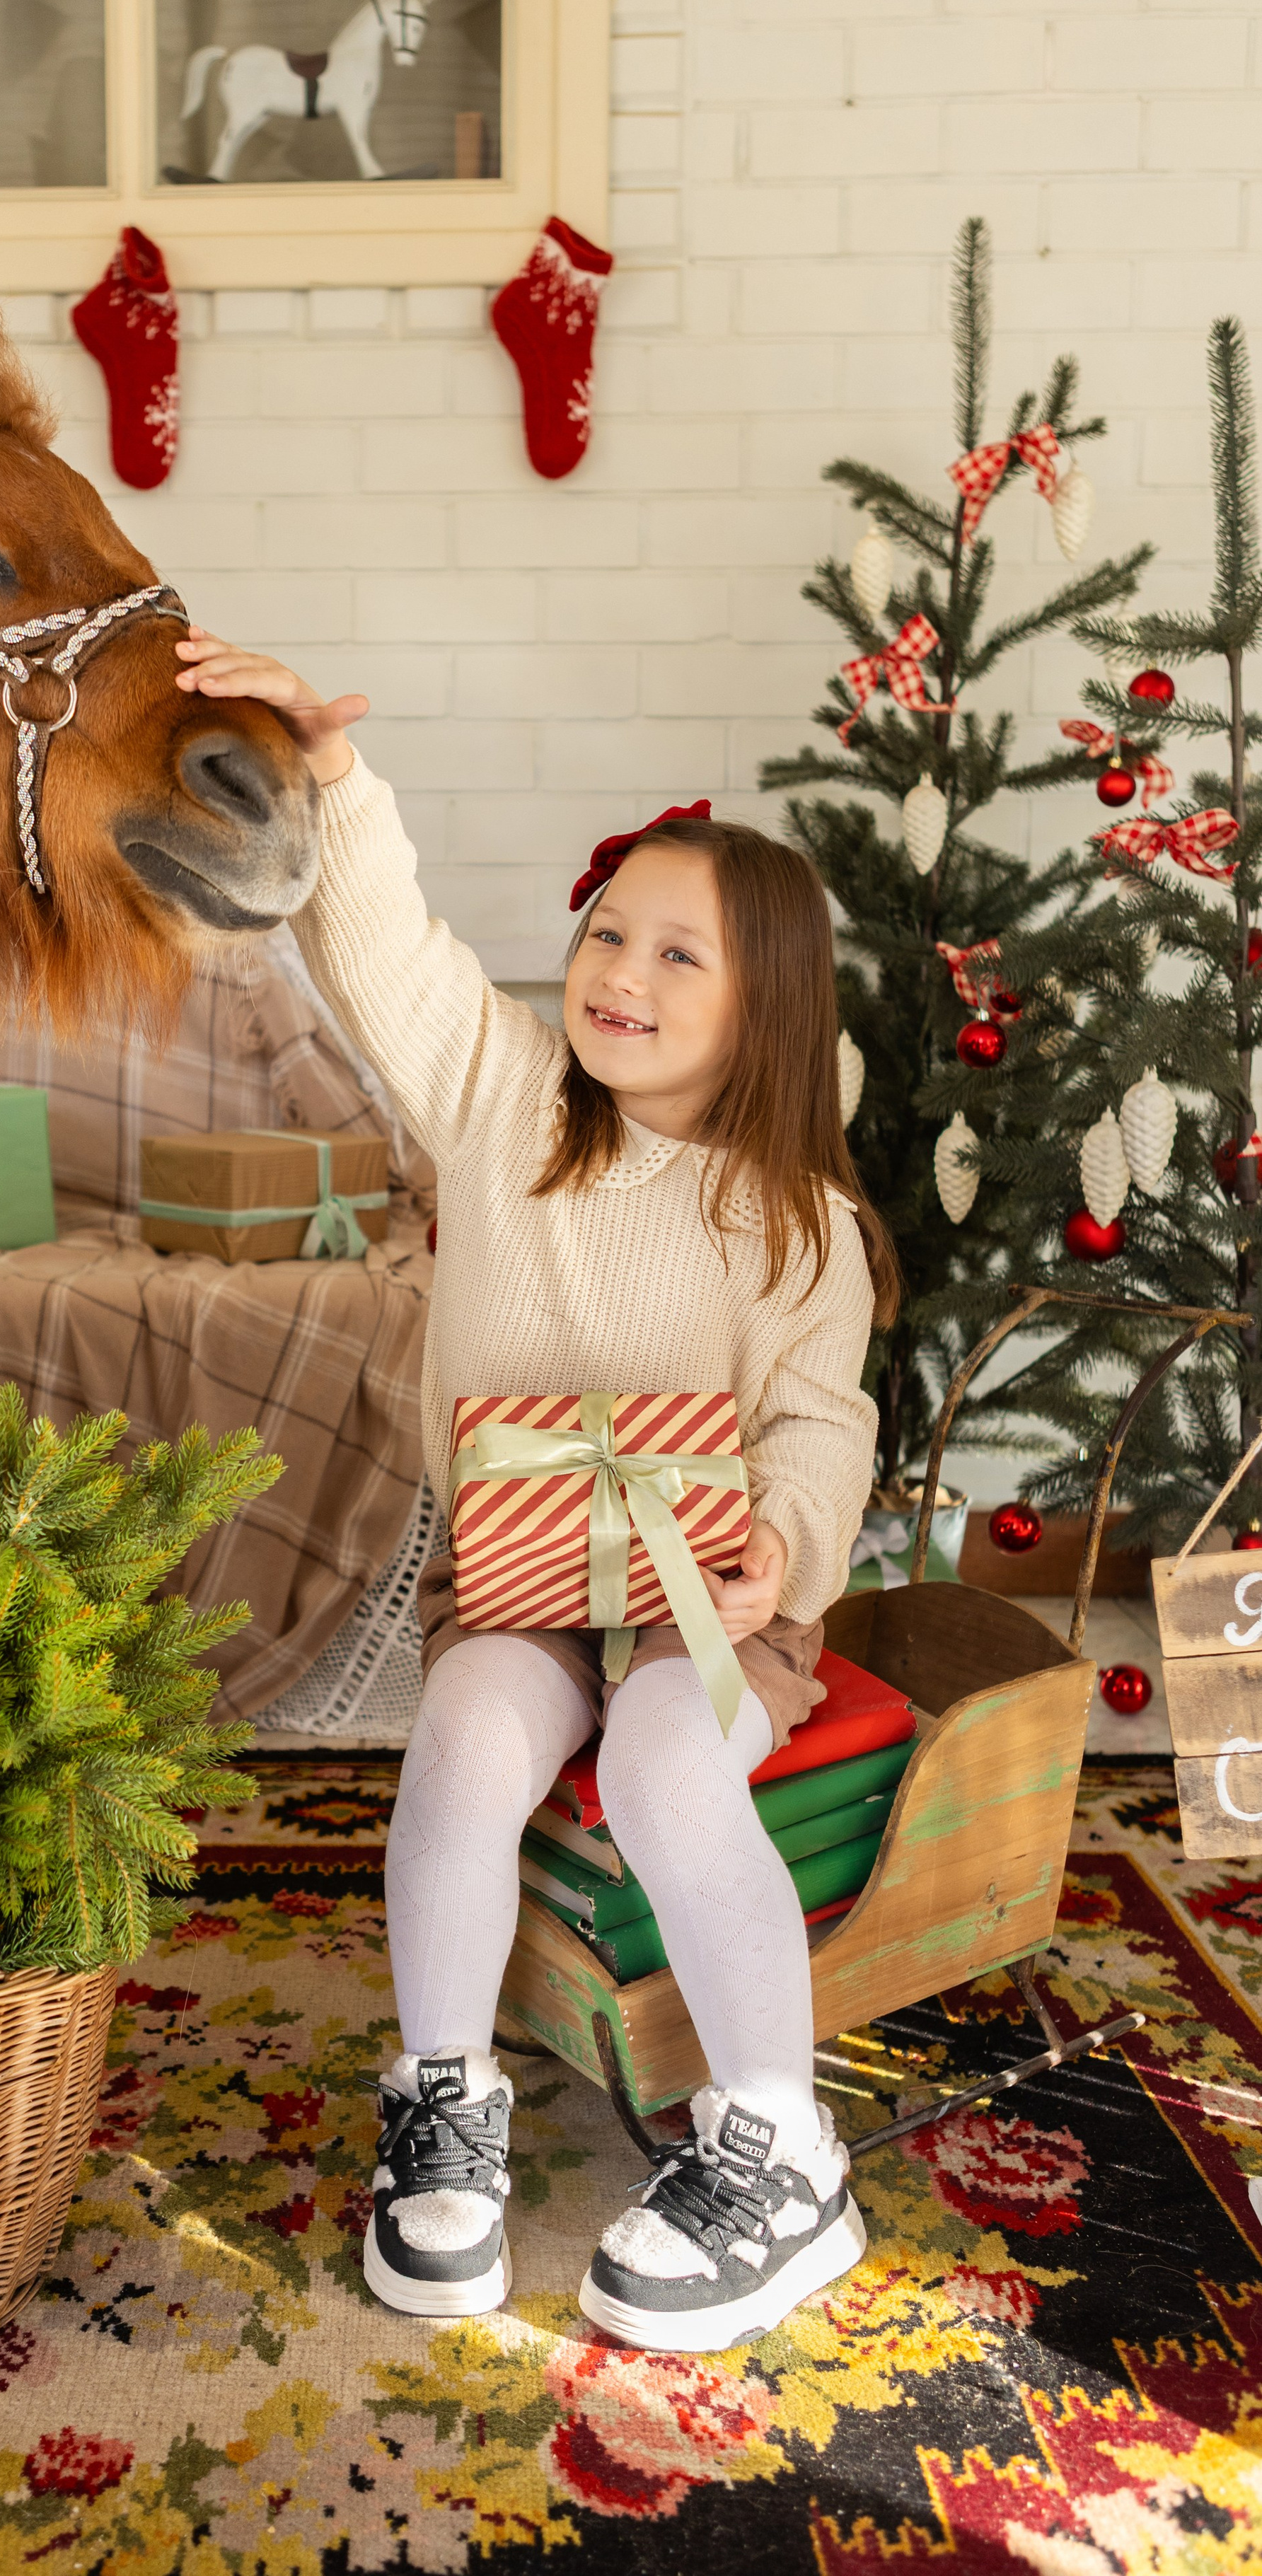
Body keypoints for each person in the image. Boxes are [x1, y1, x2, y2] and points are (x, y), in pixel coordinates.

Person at [173, 627, 897, 2354]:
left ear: (765, 1010)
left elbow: (818, 1428)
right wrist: (336, 782)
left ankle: (781, 2148)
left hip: (703, 1594)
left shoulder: (797, 1224)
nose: (614, 971)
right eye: (601, 933)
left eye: (673, 952)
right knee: (465, 1744)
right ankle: (439, 2100)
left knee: (662, 1753)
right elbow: (397, 958)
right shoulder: (504, 1106)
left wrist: (773, 1554)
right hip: (511, 1582)